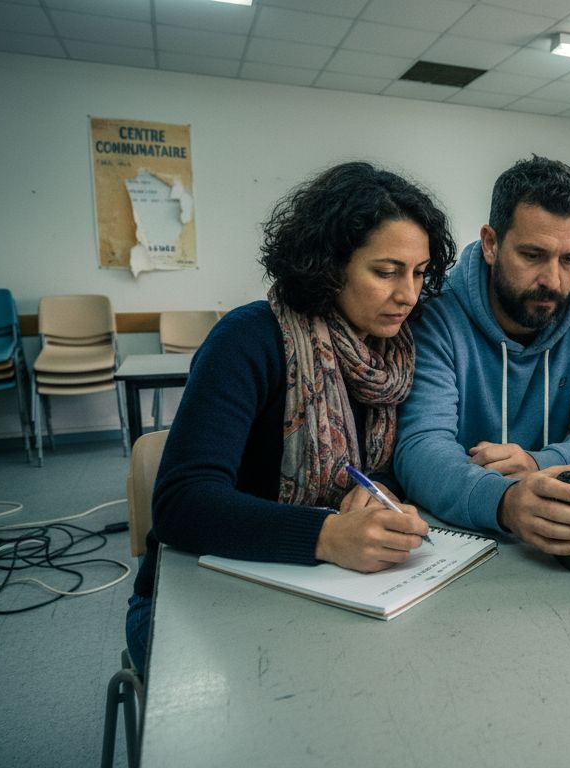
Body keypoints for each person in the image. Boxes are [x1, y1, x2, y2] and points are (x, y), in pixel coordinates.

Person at [125, 162, 457, 674]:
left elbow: (374, 462)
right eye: (386, 272)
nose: (408, 295)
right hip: (195, 592)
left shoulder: (393, 356)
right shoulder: (247, 340)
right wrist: (325, 535)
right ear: (330, 266)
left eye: (418, 273)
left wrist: (371, 492)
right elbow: (181, 503)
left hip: (322, 588)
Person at [393, 155, 570, 556]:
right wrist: (506, 501)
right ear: (491, 244)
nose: (553, 280)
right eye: (532, 255)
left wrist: (538, 465)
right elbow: (419, 447)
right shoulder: (434, 313)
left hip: (555, 531)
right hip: (457, 542)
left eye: (569, 259)